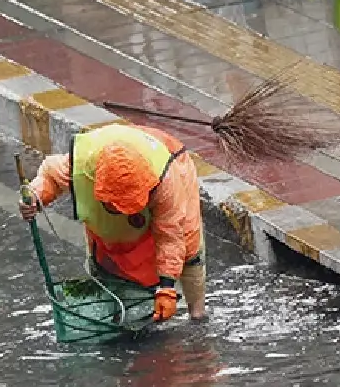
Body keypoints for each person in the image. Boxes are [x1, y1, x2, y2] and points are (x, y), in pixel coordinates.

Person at [19, 122, 208, 323]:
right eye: (115, 205)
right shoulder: (80, 166)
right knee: (105, 254)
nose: (122, 212)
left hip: (171, 162)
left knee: (188, 245)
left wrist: (167, 289)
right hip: (112, 194)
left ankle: (197, 314)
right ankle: (116, 309)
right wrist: (35, 196)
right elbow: (50, 177)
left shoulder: (166, 180)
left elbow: (170, 237)